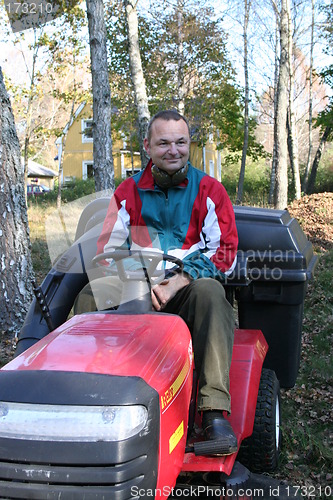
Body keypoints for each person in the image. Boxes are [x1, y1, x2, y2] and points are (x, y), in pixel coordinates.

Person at [97, 110, 238, 455]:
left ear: (189, 144)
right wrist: (142, 279)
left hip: (187, 289)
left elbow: (226, 253)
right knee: (90, 296)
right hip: (137, 288)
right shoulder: (127, 193)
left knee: (210, 292)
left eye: (181, 142)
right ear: (147, 146)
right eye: (163, 142)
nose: (173, 150)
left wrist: (178, 280)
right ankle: (94, 397)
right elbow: (106, 254)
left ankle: (213, 412)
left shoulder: (210, 190)